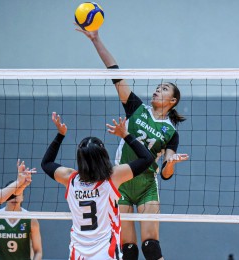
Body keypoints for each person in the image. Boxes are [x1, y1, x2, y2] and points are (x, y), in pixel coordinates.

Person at [76, 28, 190, 260]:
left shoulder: (171, 132)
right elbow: (115, 74)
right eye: (158, 87)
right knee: (128, 250)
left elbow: (167, 174)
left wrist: (172, 163)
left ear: (173, 100)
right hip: (121, 182)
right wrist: (96, 40)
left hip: (148, 184)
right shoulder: (136, 108)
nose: (158, 90)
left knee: (150, 246)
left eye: (164, 89)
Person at [41, 112, 154, 259]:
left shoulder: (70, 178)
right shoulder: (113, 177)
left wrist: (60, 135)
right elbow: (147, 158)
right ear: (103, 156)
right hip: (106, 252)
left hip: (78, 253)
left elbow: (46, 163)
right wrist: (125, 134)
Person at [0, 181, 42, 260]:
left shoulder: (31, 219)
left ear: (23, 197)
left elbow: (38, 251)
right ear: (5, 196)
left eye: (18, 193)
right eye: (11, 193)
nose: (14, 196)